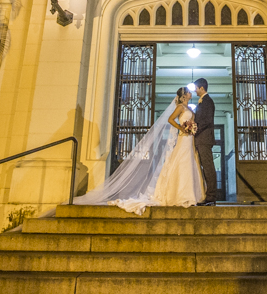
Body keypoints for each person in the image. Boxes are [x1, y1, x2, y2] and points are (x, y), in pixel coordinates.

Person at [72, 87, 204, 215]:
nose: (191, 93)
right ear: (184, 96)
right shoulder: (180, 107)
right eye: (188, 92)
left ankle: (190, 194)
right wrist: (181, 128)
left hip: (190, 139)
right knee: (182, 162)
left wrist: (192, 128)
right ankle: (181, 195)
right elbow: (170, 119)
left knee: (189, 163)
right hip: (183, 138)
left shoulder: (188, 108)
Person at [192, 77, 217, 205]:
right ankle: (207, 195)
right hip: (201, 139)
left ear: (202, 88)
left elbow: (206, 121)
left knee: (208, 167)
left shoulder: (207, 101)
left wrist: (195, 129)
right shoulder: (203, 101)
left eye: (196, 88)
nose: (195, 91)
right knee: (204, 167)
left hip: (204, 139)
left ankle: (211, 197)